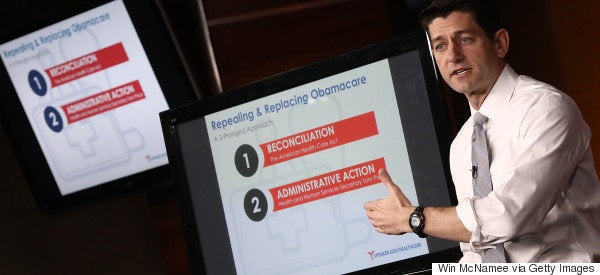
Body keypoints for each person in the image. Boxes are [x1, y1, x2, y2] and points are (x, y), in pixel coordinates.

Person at [363, 0, 600, 263]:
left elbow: (509, 217)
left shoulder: (545, 109)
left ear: (499, 44)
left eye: (464, 39)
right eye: (440, 46)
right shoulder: (463, 143)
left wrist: (413, 218)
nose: (453, 55)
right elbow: (477, 250)